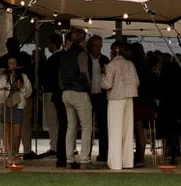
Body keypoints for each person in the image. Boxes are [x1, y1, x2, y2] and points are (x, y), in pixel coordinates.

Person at [102, 40, 139, 171]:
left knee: (115, 131)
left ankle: (116, 163)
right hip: (129, 98)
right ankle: (128, 161)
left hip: (116, 99)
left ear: (114, 51)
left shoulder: (111, 65)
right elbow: (137, 82)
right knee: (127, 131)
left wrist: (102, 75)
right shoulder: (130, 64)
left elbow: (107, 84)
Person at [60, 27, 94, 169]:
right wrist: (89, 86)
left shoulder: (64, 55)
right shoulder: (82, 54)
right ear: (83, 40)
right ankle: (84, 160)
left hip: (66, 92)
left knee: (71, 127)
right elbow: (84, 73)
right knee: (86, 127)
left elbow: (60, 76)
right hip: (79, 91)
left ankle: (69, 159)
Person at [0, 56, 32, 161]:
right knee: (7, 130)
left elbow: (28, 92)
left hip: (18, 105)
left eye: (14, 63)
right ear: (7, 65)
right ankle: (9, 154)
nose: (13, 65)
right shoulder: (3, 77)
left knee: (17, 132)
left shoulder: (23, 76)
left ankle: (15, 152)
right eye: (10, 63)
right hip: (6, 104)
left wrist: (21, 87)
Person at [40, 32, 66, 162]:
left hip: (51, 92)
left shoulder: (51, 60)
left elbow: (47, 78)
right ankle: (59, 145)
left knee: (52, 121)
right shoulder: (63, 57)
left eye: (49, 43)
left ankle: (55, 145)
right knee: (60, 120)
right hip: (61, 93)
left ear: (53, 44)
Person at [83, 35, 110, 162]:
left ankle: (103, 154)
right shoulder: (84, 59)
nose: (98, 48)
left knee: (103, 125)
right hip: (87, 95)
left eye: (100, 46)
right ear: (90, 46)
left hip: (100, 96)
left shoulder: (104, 60)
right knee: (87, 125)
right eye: (95, 45)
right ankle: (86, 154)